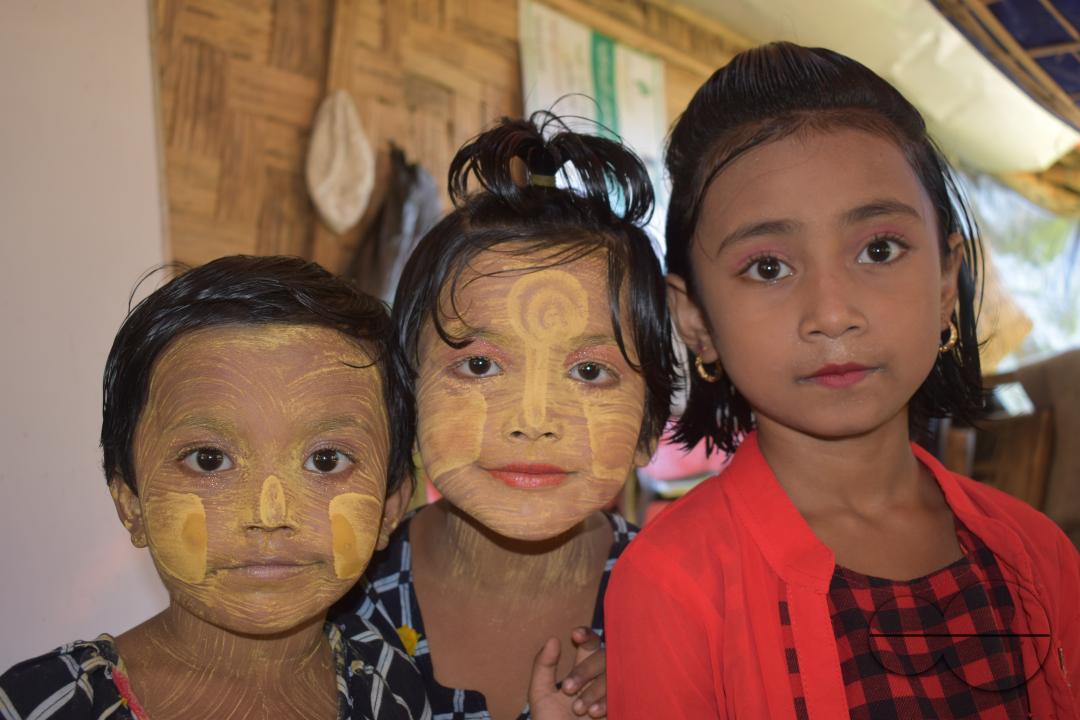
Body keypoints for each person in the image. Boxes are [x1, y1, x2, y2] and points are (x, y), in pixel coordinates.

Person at [604, 42, 1080, 719]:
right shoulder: (673, 583)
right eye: (768, 267)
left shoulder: (1039, 555)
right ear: (696, 317)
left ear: (947, 282)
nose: (832, 314)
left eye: (879, 250)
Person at [336, 112, 676, 720]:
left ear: (650, 425)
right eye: (481, 367)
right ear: (407, 395)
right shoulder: (334, 597)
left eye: (590, 372)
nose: (533, 420)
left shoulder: (685, 607)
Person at [0, 256, 430, 719]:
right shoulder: (41, 707)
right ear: (132, 505)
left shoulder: (394, 690)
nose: (269, 514)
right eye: (209, 460)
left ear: (389, 509)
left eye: (326, 461)